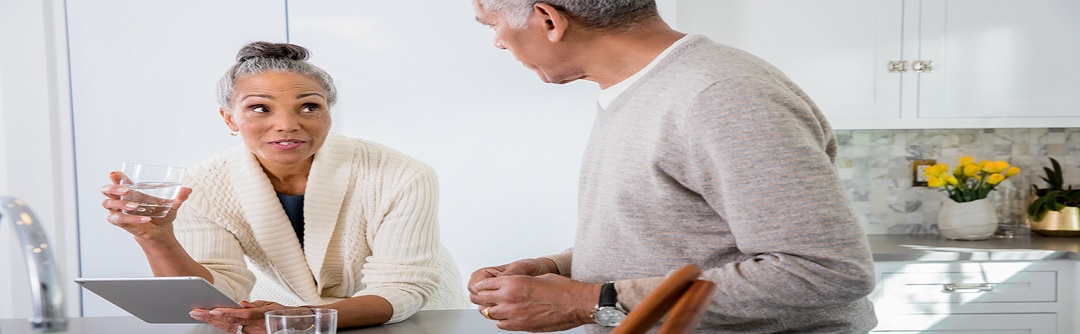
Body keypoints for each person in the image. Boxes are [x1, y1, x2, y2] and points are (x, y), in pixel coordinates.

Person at [468, 1, 877, 333]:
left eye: (492, 25)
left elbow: (826, 271)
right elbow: (682, 231)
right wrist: (559, 268)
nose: (499, 43)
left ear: (548, 19)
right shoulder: (648, 89)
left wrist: (587, 301)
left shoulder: (719, 96)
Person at [100, 41, 467, 334]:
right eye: (260, 109)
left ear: (328, 113)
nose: (287, 125)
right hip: (284, 319)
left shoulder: (402, 174)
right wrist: (157, 237)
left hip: (409, 318)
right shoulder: (202, 185)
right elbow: (215, 296)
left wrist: (304, 317)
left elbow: (400, 288)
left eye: (309, 107)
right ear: (229, 118)